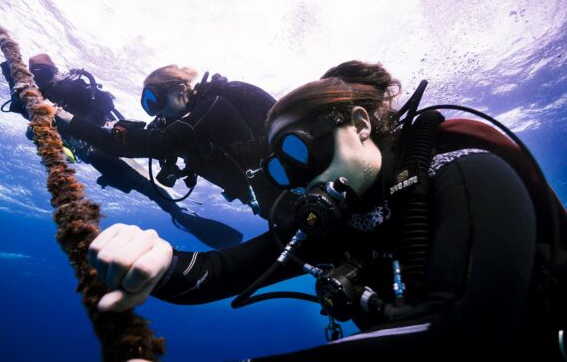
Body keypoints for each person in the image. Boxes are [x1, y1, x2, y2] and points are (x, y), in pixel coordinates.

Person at [84, 61, 567, 361]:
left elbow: (463, 337)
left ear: (359, 124)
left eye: (300, 152)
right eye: (281, 172)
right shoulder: (332, 219)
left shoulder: (465, 173)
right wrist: (160, 266)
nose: (300, 181)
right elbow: (228, 270)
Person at [1, 54, 243, 250]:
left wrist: (65, 116)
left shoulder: (73, 86)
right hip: (94, 153)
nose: (157, 113)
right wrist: (12, 77)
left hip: (107, 142)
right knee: (139, 184)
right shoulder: (30, 95)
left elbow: (147, 138)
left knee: (148, 186)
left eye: (154, 101)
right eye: (36, 74)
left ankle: (180, 214)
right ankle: (180, 214)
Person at [56, 64, 287, 220]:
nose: (154, 112)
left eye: (153, 100)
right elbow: (127, 145)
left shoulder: (217, 105)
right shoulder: (180, 125)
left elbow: (158, 143)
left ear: (179, 89)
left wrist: (69, 119)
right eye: (146, 104)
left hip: (291, 185)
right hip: (270, 205)